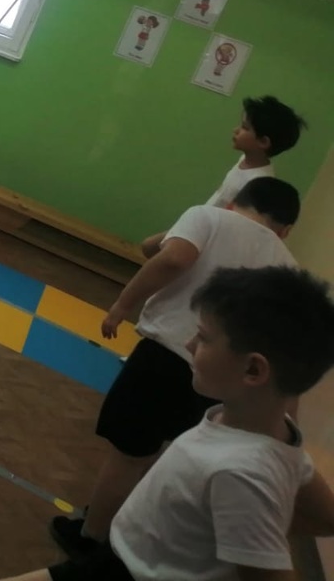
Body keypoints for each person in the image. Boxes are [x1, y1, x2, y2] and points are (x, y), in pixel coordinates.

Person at [1, 264, 334, 581]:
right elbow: (326, 518)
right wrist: (239, 529)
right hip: (121, 561)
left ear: (253, 370)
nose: (189, 344)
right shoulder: (277, 438)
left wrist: (251, 527)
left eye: (203, 338)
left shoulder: (240, 472)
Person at [50, 177, 301, 559]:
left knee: (130, 453)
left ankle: (91, 536)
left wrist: (123, 305)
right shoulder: (288, 268)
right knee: (170, 461)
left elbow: (172, 258)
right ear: (285, 230)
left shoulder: (208, 217)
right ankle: (130, 539)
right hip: (221, 383)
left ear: (234, 202)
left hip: (164, 356)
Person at [140, 95, 306, 258]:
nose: (236, 130)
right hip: (201, 222)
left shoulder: (259, 182)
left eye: (245, 128)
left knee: (151, 248)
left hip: (207, 236)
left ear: (263, 142)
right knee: (149, 248)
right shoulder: (246, 159)